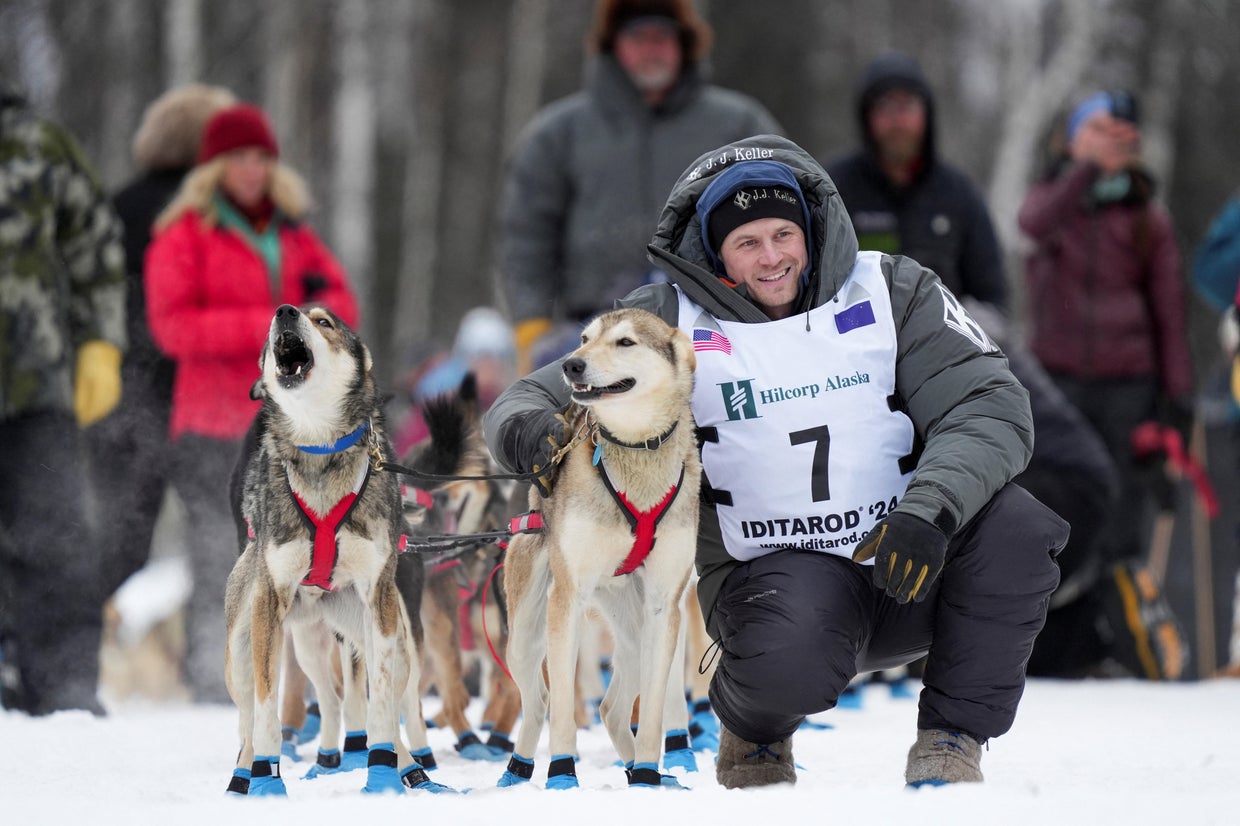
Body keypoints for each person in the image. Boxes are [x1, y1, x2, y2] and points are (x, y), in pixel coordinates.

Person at [483, 135, 1068, 788]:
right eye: (747, 242)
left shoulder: (893, 288)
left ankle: (951, 739)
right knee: (789, 658)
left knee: (1019, 528)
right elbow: (535, 391)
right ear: (718, 254)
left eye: (783, 234)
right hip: (777, 580)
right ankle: (754, 733)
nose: (771, 258)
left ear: (810, 232)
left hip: (908, 552)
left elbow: (989, 401)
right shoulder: (671, 318)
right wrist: (529, 429)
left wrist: (930, 507)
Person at [145, 102, 359, 703]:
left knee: (303, 556)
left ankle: (294, 695)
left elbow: (341, 306)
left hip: (293, 425)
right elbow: (173, 327)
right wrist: (273, 326)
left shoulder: (292, 229)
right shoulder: (185, 233)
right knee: (226, 548)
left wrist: (304, 321)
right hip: (213, 421)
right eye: (238, 157)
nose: (251, 168)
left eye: (261, 156)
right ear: (212, 166)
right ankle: (220, 680)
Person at [500, 0, 782, 374]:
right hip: (593, 328)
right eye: (638, 37)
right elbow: (526, 236)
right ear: (612, 45)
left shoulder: (739, 124)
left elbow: (784, 205)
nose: (652, 49)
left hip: (718, 320)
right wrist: (532, 322)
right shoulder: (558, 134)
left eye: (662, 37)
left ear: (684, 44)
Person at [1018, 90, 1195, 588]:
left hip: (1127, 385)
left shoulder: (1145, 216)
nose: (1103, 142)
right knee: (1057, 500)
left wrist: (1178, 394)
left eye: (1113, 132)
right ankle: (1051, 626)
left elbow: (1168, 311)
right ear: (1070, 141)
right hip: (1056, 382)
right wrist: (1085, 172)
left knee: (1121, 508)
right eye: (1091, 130)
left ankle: (1116, 632)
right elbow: (1031, 225)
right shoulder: (1051, 199)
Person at [0, 83, 126, 714]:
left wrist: (101, 340)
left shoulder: (38, 143)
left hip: (36, 377)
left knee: (54, 533)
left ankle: (65, 683)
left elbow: (96, 249)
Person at [85, 83, 236, 604]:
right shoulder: (214, 215)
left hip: (123, 395)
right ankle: (213, 670)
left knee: (118, 541)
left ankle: (54, 654)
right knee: (219, 536)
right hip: (199, 398)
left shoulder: (117, 206)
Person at [825, 51, 1008, 310]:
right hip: (854, 336)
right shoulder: (833, 188)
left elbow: (991, 296)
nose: (897, 120)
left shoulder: (959, 193)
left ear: (927, 114)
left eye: (907, 106)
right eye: (885, 107)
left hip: (942, 343)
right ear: (867, 117)